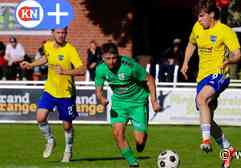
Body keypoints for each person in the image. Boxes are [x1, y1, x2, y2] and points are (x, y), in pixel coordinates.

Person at [180, 0, 241, 168]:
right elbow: (191, 44)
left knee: (201, 99)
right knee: (207, 118)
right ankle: (228, 148)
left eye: (202, 16)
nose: (199, 19)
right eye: (198, 16)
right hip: (202, 77)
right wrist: (185, 62)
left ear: (212, 14)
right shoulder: (197, 28)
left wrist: (228, 61)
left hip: (219, 74)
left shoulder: (225, 31)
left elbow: (237, 54)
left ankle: (205, 140)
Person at [20, 27, 84, 162]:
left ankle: (68, 149)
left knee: (67, 126)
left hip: (66, 93)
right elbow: (46, 58)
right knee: (40, 117)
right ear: (53, 33)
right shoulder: (47, 45)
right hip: (50, 89)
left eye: (64, 33)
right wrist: (31, 65)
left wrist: (64, 72)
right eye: (59, 33)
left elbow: (81, 69)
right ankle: (50, 140)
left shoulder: (70, 49)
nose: (61, 35)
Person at [95, 43, 160, 167]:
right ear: (103, 58)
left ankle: (141, 141)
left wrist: (154, 101)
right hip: (119, 104)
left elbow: (149, 79)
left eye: (114, 58)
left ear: (118, 56)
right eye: (108, 58)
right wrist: (102, 99)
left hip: (138, 103)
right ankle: (132, 162)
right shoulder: (100, 69)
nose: (112, 61)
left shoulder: (130, 66)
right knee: (117, 132)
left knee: (140, 141)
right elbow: (98, 90)